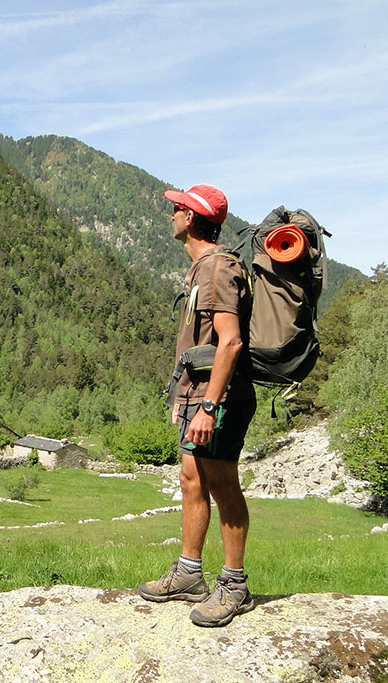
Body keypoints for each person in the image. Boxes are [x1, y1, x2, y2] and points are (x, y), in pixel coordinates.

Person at [137, 184, 257, 628]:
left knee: (222, 482)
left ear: (191, 218)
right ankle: (190, 574)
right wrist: (183, 396)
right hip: (199, 394)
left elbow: (230, 341)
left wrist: (207, 406)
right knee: (191, 478)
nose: (171, 214)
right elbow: (199, 345)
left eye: (177, 209)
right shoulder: (200, 268)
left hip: (221, 397)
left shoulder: (218, 269)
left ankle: (235, 585)